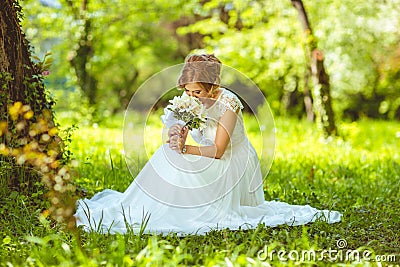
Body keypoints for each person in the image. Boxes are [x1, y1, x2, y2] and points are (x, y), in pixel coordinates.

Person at [74, 54, 341, 235]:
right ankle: (149, 208)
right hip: (204, 154)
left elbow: (217, 150)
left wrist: (185, 149)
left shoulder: (229, 103)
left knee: (179, 156)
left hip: (229, 163)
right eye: (188, 92)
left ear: (213, 87)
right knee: (167, 154)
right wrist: (176, 136)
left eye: (197, 93)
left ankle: (177, 211)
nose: (191, 98)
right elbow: (177, 130)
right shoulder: (189, 97)